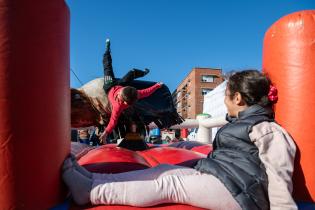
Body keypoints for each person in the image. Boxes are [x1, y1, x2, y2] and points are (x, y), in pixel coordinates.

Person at [62, 70, 297, 210]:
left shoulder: (268, 130)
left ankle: (93, 191)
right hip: (221, 175)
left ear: (238, 97)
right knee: (165, 170)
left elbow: (279, 176)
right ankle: (94, 178)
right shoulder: (242, 123)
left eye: (226, 96)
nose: (225, 101)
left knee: (169, 185)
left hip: (241, 193)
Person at [100, 39, 163, 143]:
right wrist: (157, 85)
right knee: (131, 73)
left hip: (109, 87)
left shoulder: (118, 106)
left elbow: (113, 121)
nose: (119, 92)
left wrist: (105, 133)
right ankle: (108, 50)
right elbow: (147, 91)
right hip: (119, 85)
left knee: (107, 68)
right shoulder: (135, 93)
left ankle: (106, 51)